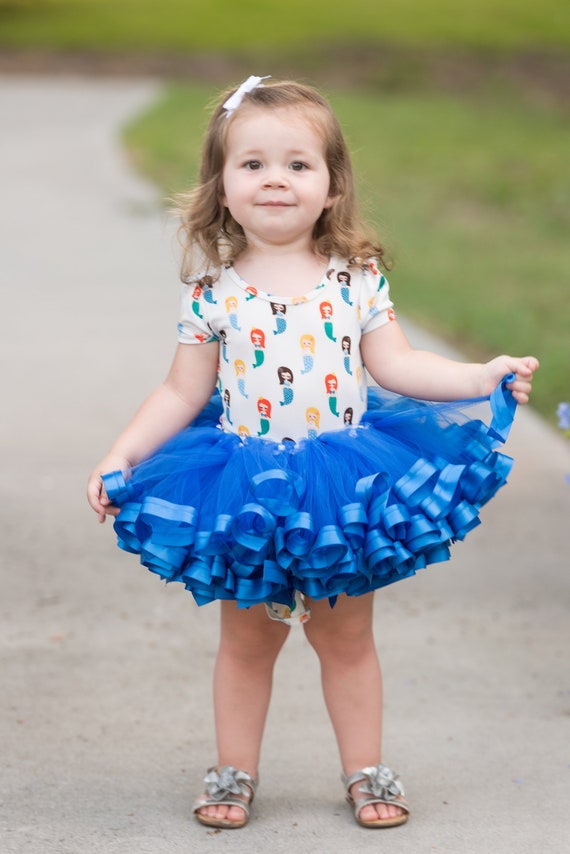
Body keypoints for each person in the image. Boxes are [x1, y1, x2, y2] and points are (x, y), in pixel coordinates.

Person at [87, 76, 538, 831]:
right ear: (221, 186)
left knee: (347, 638)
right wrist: (120, 454)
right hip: (243, 492)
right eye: (253, 163)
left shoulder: (356, 281)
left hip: (341, 491)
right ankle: (234, 771)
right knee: (246, 640)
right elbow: (178, 392)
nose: (275, 180)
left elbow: (398, 366)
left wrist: (477, 374)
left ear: (331, 186)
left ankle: (367, 770)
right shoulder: (211, 293)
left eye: (298, 164)